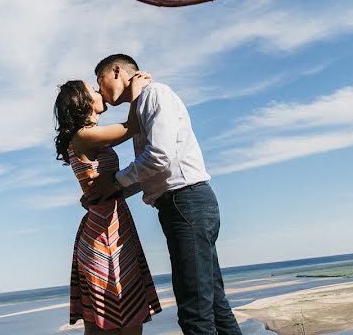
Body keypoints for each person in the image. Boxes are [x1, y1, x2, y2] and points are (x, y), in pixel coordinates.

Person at [86, 54, 242, 335]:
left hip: (186, 203)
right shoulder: (141, 103)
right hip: (182, 204)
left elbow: (159, 156)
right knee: (215, 305)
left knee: (194, 312)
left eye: (100, 80)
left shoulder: (154, 95)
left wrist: (116, 182)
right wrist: (113, 191)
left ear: (117, 71)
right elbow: (152, 169)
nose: (100, 91)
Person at [54, 73, 162, 334]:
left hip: (111, 227)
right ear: (83, 102)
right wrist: (135, 90)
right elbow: (133, 125)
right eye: (92, 89)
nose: (99, 91)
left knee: (108, 322)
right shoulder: (83, 136)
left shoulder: (87, 137)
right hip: (104, 236)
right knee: (117, 322)